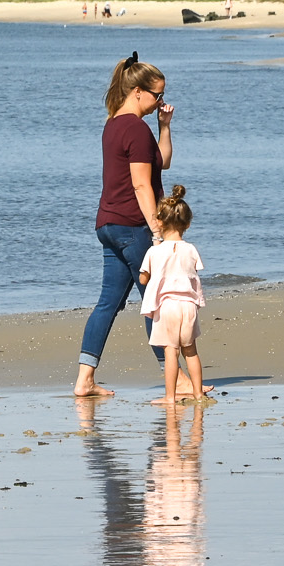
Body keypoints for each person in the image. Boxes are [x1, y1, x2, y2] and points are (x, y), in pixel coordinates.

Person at [74, 54, 173, 397]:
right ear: (137, 92)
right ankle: (177, 381)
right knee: (155, 301)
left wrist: (164, 126)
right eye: (157, 95)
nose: (160, 100)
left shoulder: (114, 124)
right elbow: (142, 185)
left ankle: (84, 380)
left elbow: (164, 163)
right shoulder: (133, 128)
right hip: (133, 227)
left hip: (108, 224)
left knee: (109, 303)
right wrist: (157, 231)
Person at [139, 186, 209, 404]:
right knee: (191, 351)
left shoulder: (154, 251)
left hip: (167, 307)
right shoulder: (191, 249)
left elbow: (143, 279)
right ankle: (197, 393)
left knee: (171, 352)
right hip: (187, 306)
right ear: (187, 224)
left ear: (159, 222)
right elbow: (192, 272)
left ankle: (170, 397)